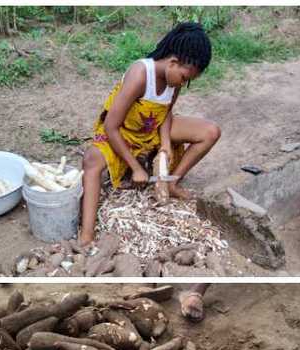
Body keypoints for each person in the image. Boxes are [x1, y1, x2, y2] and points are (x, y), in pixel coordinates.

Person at [79, 22, 222, 244]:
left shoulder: (174, 81)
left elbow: (166, 114)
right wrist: (136, 168)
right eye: (185, 78)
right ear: (173, 62)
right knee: (91, 161)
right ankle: (86, 235)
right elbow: (111, 126)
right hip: (123, 131)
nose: (185, 83)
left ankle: (172, 182)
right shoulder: (140, 74)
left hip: (151, 129)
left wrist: (165, 145)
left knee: (210, 132)